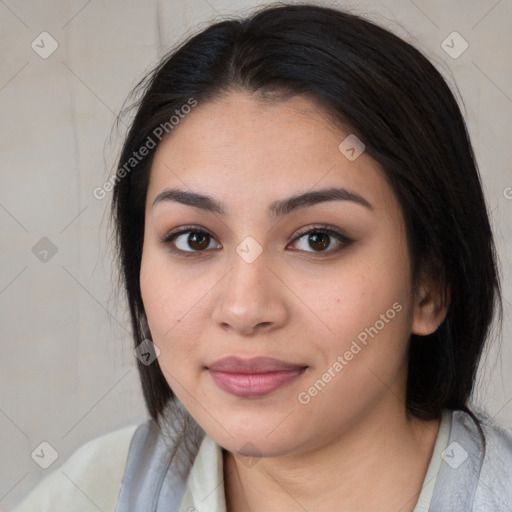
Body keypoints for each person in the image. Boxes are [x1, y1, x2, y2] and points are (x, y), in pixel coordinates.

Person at [13, 2, 512, 511]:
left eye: (318, 239)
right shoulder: (86, 494)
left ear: (430, 287)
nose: (244, 309)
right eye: (195, 239)